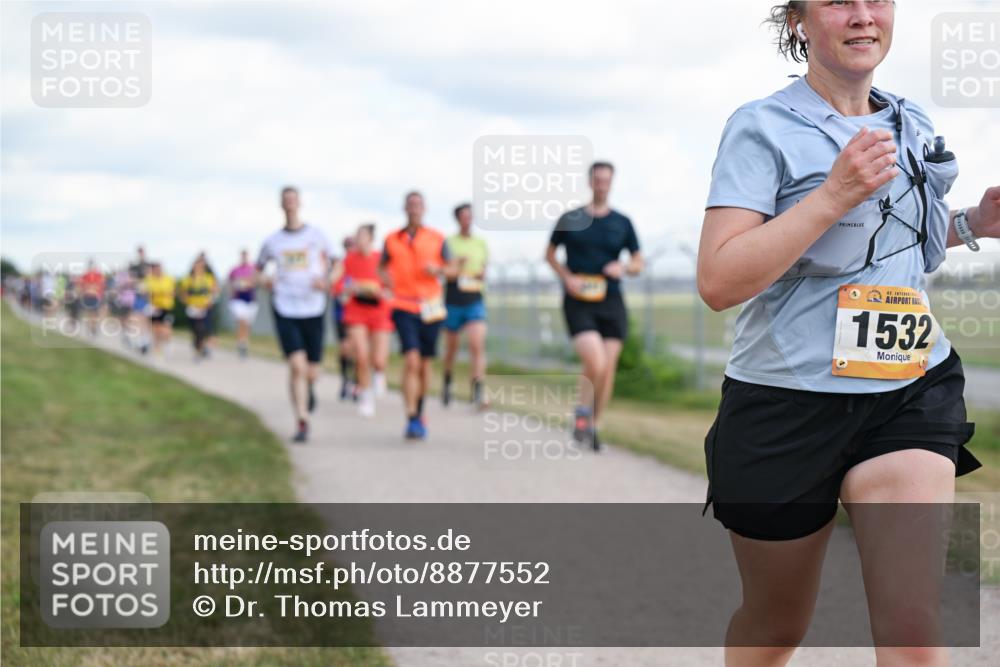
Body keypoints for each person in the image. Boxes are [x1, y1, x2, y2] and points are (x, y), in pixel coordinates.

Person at [697, 2, 997, 664]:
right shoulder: (762, 127)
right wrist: (832, 193)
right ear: (799, 21)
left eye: (878, 0)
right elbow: (718, 281)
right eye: (838, 1)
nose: (864, 16)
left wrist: (973, 220)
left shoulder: (910, 121)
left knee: (914, 630)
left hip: (908, 389)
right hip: (786, 402)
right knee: (776, 626)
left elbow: (897, 243)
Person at [545, 162, 642, 451]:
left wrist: (623, 267)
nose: (601, 185)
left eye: (606, 181)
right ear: (590, 182)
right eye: (597, 180)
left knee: (608, 367)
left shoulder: (622, 222)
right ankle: (582, 412)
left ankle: (594, 425)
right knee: (596, 362)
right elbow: (549, 255)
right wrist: (567, 278)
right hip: (578, 301)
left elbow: (638, 262)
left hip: (611, 300)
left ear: (611, 183)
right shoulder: (571, 218)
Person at [257, 186, 333, 443]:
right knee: (296, 366)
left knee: (312, 371)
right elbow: (258, 270)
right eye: (285, 200)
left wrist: (327, 280)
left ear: (299, 203)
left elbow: (338, 263)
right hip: (285, 307)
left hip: (313, 307)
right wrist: (265, 280)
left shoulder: (317, 235)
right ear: (281, 204)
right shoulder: (273, 241)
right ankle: (302, 420)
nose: (290, 203)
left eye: (293, 199)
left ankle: (309, 388)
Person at [379, 191, 455, 440]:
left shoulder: (437, 238)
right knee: (411, 359)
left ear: (424, 208)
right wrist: (386, 281)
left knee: (424, 364)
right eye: (410, 204)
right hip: (403, 304)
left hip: (431, 306)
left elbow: (453, 269)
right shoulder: (391, 239)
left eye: (418, 204)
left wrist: (440, 270)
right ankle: (411, 416)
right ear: (404, 208)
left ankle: (420, 410)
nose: (414, 208)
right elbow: (381, 267)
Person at [332, 223, 393, 418]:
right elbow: (337, 284)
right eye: (357, 236)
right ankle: (366, 396)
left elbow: (392, 284)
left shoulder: (380, 259)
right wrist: (348, 289)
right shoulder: (348, 260)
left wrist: (381, 291)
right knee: (361, 354)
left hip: (379, 310)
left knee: (379, 358)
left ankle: (379, 373)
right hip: (356, 311)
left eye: (363, 236)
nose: (359, 240)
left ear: (371, 239)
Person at [441, 203, 490, 409]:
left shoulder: (480, 243)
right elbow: (444, 270)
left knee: (476, 345)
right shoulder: (448, 243)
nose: (467, 220)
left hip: (474, 298)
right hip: (453, 299)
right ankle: (447, 382)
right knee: (452, 348)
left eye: (470, 216)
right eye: (463, 216)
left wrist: (480, 274)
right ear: (457, 219)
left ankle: (478, 390)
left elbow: (484, 267)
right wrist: (458, 265)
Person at [331, 236, 358, 401]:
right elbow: (334, 287)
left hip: (358, 315)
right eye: (347, 246)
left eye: (352, 246)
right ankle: (345, 380)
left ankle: (356, 383)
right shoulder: (340, 267)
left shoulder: (361, 265)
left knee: (356, 350)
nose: (350, 249)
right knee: (344, 349)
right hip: (341, 314)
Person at [179, 256, 219, 360]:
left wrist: (209, 302)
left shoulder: (209, 278)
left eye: (201, 267)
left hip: (205, 308)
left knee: (203, 330)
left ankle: (200, 349)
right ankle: (198, 347)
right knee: (195, 331)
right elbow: (183, 294)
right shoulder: (188, 279)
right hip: (193, 309)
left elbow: (215, 292)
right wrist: (189, 303)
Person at [227, 249, 259, 359]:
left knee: (247, 324)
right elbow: (230, 282)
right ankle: (241, 344)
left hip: (250, 299)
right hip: (238, 299)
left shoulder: (253, 268)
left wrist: (249, 283)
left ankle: (244, 342)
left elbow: (256, 281)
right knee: (241, 321)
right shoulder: (234, 269)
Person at [142, 261, 176, 358]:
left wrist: (159, 294)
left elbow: (172, 293)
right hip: (154, 307)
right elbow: (145, 293)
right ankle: (157, 348)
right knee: (155, 329)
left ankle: (168, 344)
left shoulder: (168, 279)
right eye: (154, 270)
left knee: (165, 328)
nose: (157, 271)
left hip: (166, 307)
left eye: (158, 269)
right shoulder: (149, 280)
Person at [129, 246, 152, 354]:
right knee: (138, 318)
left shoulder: (149, 265)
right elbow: (131, 279)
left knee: (146, 319)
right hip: (138, 296)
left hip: (148, 297)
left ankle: (146, 340)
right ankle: (141, 341)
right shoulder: (134, 266)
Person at [77, 260, 106, 337]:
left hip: (95, 297)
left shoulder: (98, 275)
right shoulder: (85, 275)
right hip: (88, 296)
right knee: (90, 313)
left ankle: (93, 328)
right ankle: (91, 329)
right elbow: (81, 286)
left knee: (94, 314)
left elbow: (101, 286)